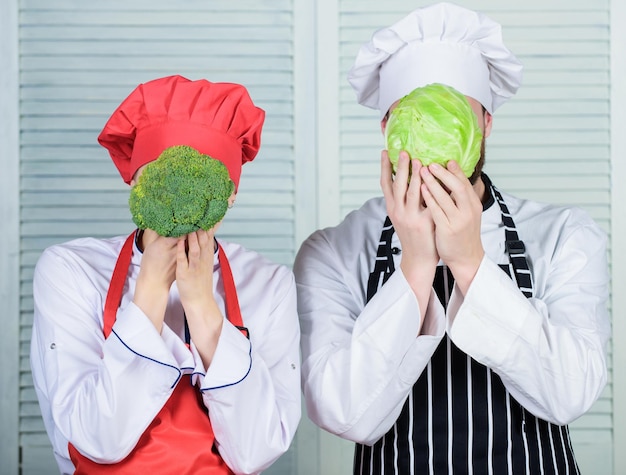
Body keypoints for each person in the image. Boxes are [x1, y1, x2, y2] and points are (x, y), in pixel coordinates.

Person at [294, 3, 610, 474]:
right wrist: (417, 265)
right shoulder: (332, 251)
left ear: (484, 125)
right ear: (387, 129)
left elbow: (571, 394)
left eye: (457, 114)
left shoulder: (564, 235)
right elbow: (344, 412)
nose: (434, 139)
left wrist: (470, 264)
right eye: (414, 115)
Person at [30, 75, 301, 475]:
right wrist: (151, 290)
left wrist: (202, 305)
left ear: (231, 194)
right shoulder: (70, 270)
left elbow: (256, 453)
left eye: (204, 179)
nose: (180, 194)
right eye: (161, 176)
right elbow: (98, 441)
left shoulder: (269, 283)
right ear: (135, 181)